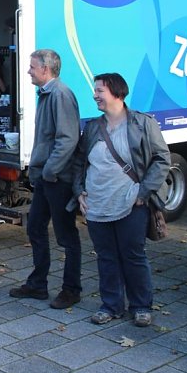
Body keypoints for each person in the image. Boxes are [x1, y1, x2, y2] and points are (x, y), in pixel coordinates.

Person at [71, 73, 170, 327]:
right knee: (106, 256)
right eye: (95, 90)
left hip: (131, 203)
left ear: (117, 92)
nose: (95, 95)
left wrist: (143, 193)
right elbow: (79, 162)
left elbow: (162, 159)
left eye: (99, 90)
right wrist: (79, 190)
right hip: (97, 203)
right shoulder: (93, 127)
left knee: (133, 255)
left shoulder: (142, 123)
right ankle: (111, 305)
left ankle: (141, 306)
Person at [10, 49, 82, 309]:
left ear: (46, 69)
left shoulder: (60, 95)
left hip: (57, 179)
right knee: (35, 228)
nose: (28, 71)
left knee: (66, 236)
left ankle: (71, 290)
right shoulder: (48, 94)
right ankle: (38, 285)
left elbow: (68, 139)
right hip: (46, 177)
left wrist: (50, 170)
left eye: (31, 67)